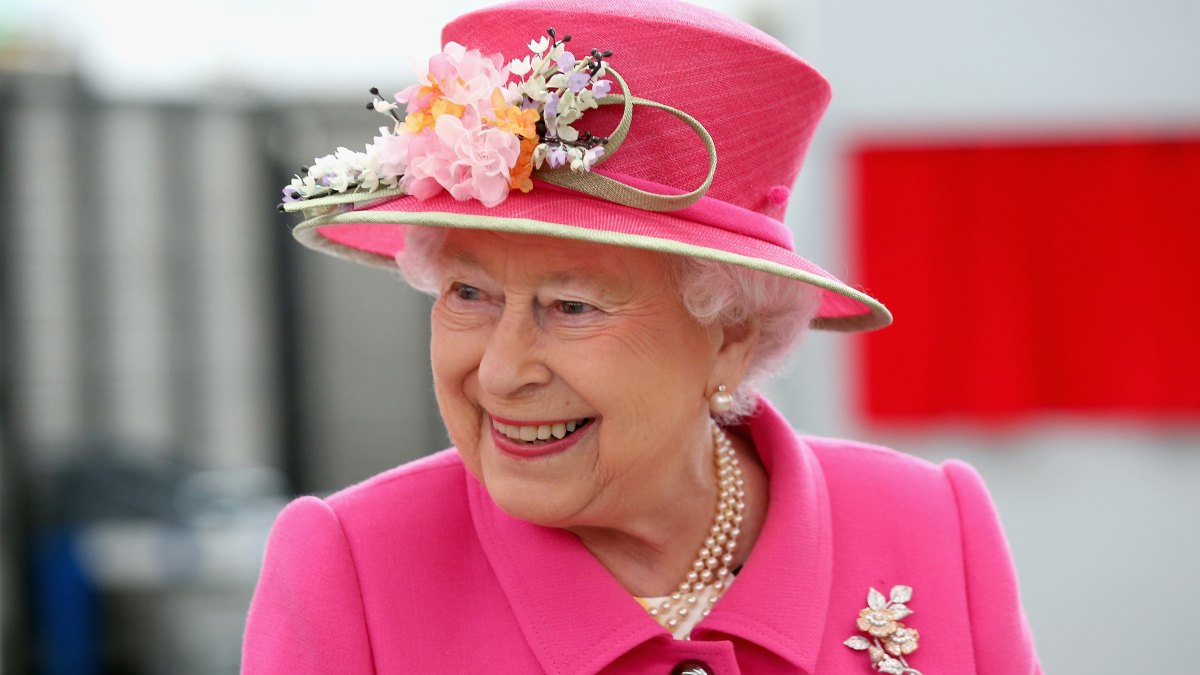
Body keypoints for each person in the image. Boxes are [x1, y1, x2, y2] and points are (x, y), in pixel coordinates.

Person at [243, 1, 1041, 673]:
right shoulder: (351, 567)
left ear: (730, 335)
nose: (500, 370)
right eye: (470, 293)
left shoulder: (933, 525)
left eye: (573, 306)